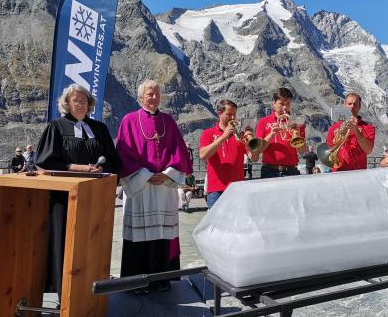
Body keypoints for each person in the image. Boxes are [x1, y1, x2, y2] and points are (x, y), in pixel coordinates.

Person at [35, 84, 119, 296]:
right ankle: (64, 289)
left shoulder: (99, 129)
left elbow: (112, 158)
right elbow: (45, 160)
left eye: (84, 100)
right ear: (67, 103)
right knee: (66, 240)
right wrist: (78, 168)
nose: (80, 104)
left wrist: (101, 166)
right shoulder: (56, 127)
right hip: (65, 197)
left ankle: (90, 288)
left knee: (92, 240)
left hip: (94, 196)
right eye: (76, 100)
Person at [116, 79, 192, 293]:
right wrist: (146, 175)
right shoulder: (129, 120)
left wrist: (167, 174)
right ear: (140, 97)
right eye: (150, 94)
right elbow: (123, 152)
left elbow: (179, 152)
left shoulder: (168, 121)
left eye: (157, 94)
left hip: (163, 187)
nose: (154, 98)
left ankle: (161, 279)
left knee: (162, 234)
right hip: (140, 186)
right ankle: (135, 282)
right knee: (138, 237)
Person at [199, 99, 257, 209]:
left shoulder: (240, 135)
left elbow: (254, 158)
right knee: (216, 225)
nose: (233, 118)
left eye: (234, 114)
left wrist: (250, 140)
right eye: (229, 114)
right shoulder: (208, 133)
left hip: (238, 188)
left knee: (238, 225)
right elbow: (203, 155)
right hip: (216, 190)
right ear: (219, 113)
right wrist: (223, 137)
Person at [254, 87, 307, 178]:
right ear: (274, 103)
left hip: (291, 170)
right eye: (281, 104)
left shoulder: (296, 122)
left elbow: (302, 151)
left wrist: (297, 133)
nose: (285, 107)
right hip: (269, 171)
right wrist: (271, 134)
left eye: (288, 104)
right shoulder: (263, 122)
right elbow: (258, 151)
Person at [325, 93, 375, 171]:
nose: (352, 106)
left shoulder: (368, 127)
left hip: (358, 174)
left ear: (359, 107)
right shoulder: (334, 127)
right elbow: (328, 152)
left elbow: (368, 150)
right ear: (344, 105)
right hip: (338, 173)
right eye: (349, 104)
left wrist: (356, 130)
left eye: (355, 104)